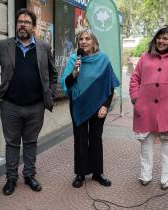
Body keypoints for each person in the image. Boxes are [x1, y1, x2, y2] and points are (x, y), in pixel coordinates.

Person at [0, 9, 57, 195]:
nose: (22, 25)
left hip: (36, 106)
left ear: (33, 27)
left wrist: (49, 93)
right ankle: (11, 178)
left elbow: (52, 73)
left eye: (27, 22)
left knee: (31, 142)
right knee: (11, 143)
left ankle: (29, 175)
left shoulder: (44, 47)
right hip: (10, 105)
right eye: (20, 21)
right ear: (16, 25)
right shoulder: (4, 45)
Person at [129, 25, 168, 190]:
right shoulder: (145, 57)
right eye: (159, 37)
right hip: (146, 109)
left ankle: (166, 178)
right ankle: (145, 175)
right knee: (146, 143)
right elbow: (135, 79)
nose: (161, 41)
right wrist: (136, 99)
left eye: (165, 38)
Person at [61, 28, 120, 188]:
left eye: (87, 39)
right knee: (80, 139)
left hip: (98, 105)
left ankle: (97, 172)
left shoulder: (103, 59)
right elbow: (66, 84)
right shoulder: (74, 59)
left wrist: (106, 106)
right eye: (81, 39)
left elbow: (110, 85)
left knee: (95, 138)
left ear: (94, 42)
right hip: (78, 105)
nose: (84, 41)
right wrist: (74, 73)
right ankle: (80, 173)